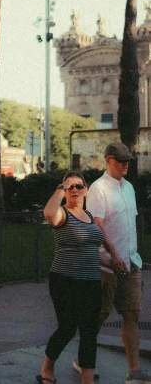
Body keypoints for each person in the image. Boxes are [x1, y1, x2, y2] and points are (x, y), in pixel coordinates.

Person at [87, 141, 151, 384]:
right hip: (107, 265)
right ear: (108, 160)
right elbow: (97, 224)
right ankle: (84, 361)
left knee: (132, 314)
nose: (125, 164)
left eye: (128, 160)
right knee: (99, 316)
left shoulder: (129, 188)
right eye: (120, 160)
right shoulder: (98, 188)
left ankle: (134, 371)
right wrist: (113, 255)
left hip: (131, 262)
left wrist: (130, 256)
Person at [39, 171, 110, 384]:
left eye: (79, 186)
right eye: (70, 187)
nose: (75, 191)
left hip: (91, 282)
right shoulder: (62, 214)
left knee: (89, 332)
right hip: (64, 281)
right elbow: (49, 214)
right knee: (67, 328)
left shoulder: (89, 217)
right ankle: (47, 367)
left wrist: (113, 262)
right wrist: (62, 186)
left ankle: (87, 380)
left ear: (86, 190)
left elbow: (92, 249)